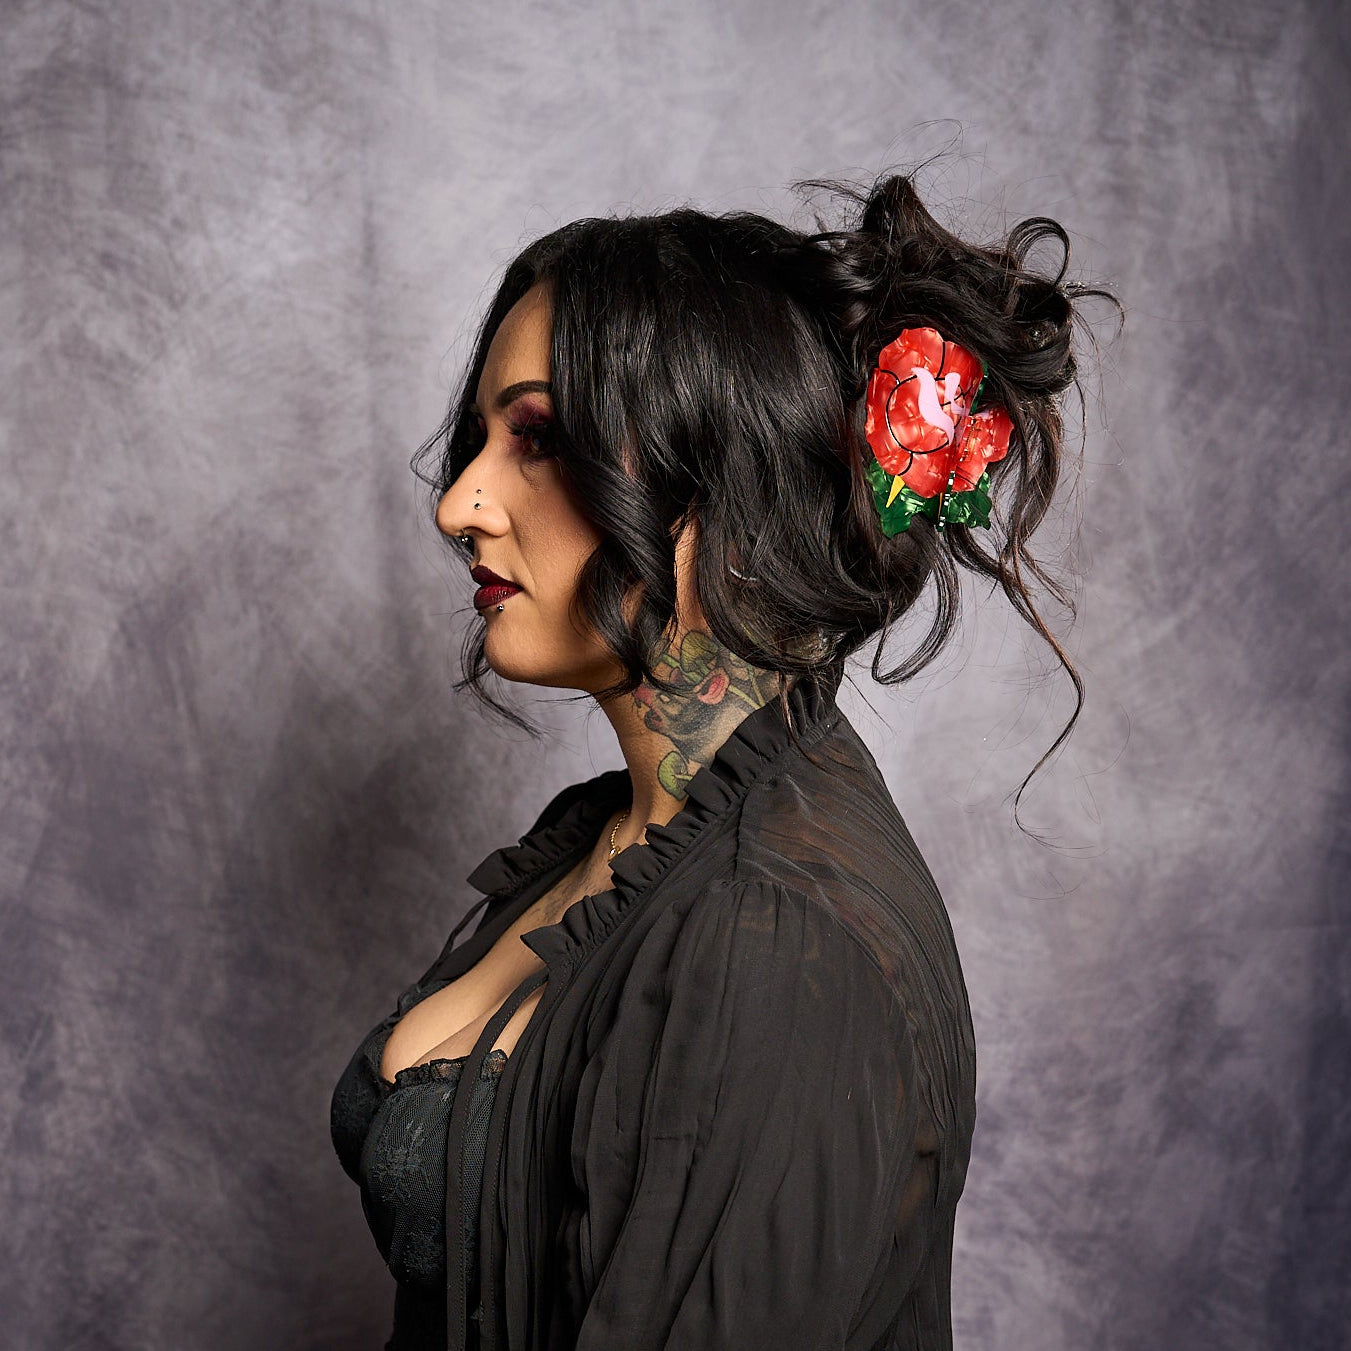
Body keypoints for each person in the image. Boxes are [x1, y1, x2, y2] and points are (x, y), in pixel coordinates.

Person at [330, 169, 1110, 1350]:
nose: (461, 503)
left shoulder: (783, 942)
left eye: (535, 438)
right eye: (482, 437)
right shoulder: (619, 835)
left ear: (721, 480)